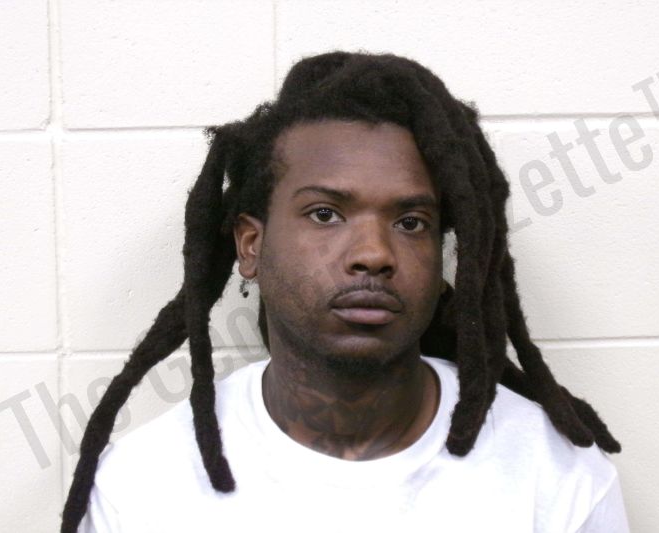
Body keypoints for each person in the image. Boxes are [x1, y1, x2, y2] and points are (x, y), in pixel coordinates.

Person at [61, 52, 630, 532]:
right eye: (325, 213)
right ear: (251, 246)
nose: (375, 254)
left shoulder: (556, 476)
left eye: (410, 222)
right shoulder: (142, 488)